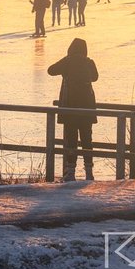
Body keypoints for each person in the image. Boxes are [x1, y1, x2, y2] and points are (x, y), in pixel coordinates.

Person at [47, 37, 99, 181]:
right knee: (87, 139)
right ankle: (89, 172)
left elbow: (50, 70)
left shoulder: (67, 62)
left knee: (71, 140)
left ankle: (70, 172)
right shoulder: (89, 62)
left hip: (69, 108)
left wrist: (66, 62)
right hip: (87, 108)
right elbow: (95, 77)